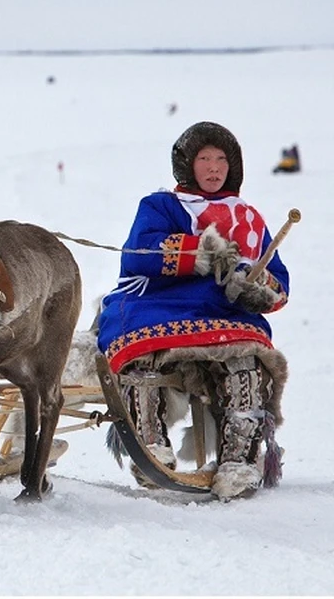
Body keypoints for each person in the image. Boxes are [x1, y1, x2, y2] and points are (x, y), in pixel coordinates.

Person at [97, 121, 291, 501]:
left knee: (246, 363)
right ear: (188, 164)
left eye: (221, 159)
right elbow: (142, 250)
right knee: (142, 355)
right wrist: (203, 252)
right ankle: (150, 448)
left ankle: (240, 462)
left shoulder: (249, 219)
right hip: (159, 304)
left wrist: (256, 288)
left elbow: (278, 282)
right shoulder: (161, 205)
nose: (214, 167)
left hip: (226, 313)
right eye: (204, 158)